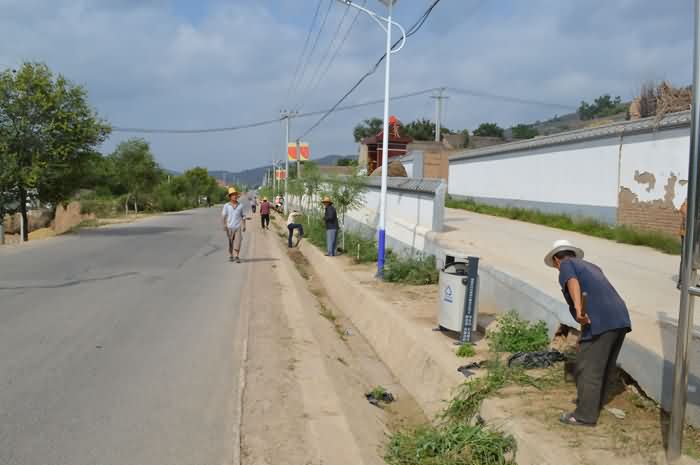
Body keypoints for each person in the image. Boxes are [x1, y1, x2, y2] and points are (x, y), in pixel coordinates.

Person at [545, 239, 631, 427]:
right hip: (620, 318)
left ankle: (584, 416)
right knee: (603, 366)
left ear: (556, 260)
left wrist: (577, 309)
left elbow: (572, 282)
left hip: (602, 321)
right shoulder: (591, 267)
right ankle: (592, 405)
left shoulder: (566, 265)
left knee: (587, 368)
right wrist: (583, 335)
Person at [222, 187, 246, 262]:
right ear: (230, 197)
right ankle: (231, 255)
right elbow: (224, 216)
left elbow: (243, 216)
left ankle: (237, 256)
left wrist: (244, 225)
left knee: (238, 242)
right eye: (232, 195)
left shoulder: (240, 206)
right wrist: (224, 225)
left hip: (238, 227)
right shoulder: (226, 206)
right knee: (231, 242)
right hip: (229, 227)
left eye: (235, 195)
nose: (234, 196)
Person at [678, 198, 688, 290]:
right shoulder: (689, 199)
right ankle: (681, 282)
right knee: (685, 257)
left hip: (696, 234)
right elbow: (682, 211)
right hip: (686, 233)